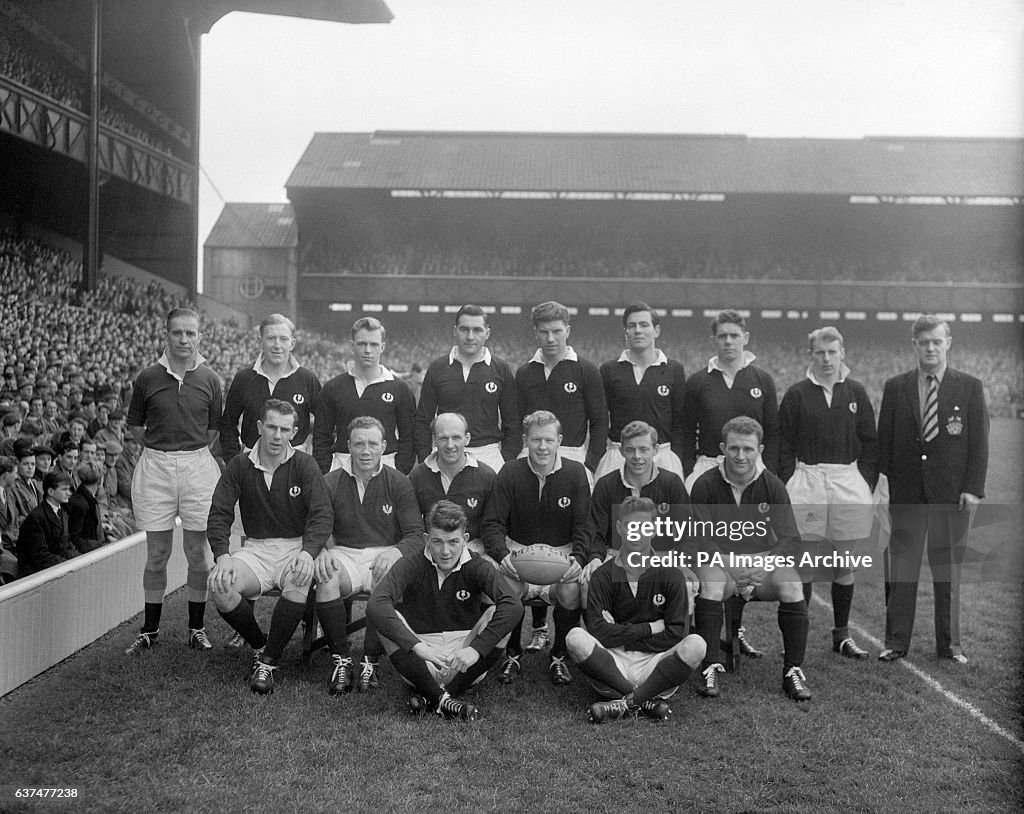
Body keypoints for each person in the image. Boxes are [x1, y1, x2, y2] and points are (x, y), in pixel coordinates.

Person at [877, 314, 988, 664]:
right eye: (923, 342)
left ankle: (950, 645)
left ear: (948, 343)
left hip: (951, 494)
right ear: (914, 345)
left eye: (936, 341)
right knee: (903, 571)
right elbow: (885, 442)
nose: (930, 348)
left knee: (948, 573)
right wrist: (883, 485)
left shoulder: (969, 386)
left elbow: (979, 444)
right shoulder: (896, 387)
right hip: (906, 493)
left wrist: (973, 488)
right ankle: (896, 643)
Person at [206, 399, 335, 694]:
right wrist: (222, 555)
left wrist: (308, 551)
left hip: (295, 548)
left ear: (295, 432)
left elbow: (321, 513)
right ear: (260, 427)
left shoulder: (304, 463)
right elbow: (219, 512)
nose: (278, 436)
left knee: (299, 581)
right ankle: (261, 644)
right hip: (256, 549)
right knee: (221, 587)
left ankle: (267, 664)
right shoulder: (240, 464)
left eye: (285, 429)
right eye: (272, 427)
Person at [681, 310, 782, 657]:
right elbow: (683, 431)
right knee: (706, 551)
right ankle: (700, 633)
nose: (728, 341)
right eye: (722, 335)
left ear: (745, 338)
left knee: (746, 553)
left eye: (734, 336)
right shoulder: (698, 381)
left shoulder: (762, 379)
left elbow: (775, 430)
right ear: (714, 339)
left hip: (750, 470)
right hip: (709, 469)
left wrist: (773, 474)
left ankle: (735, 632)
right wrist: (686, 471)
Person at [689, 417, 812, 702]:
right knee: (710, 585)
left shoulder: (773, 485)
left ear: (760, 450)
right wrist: (728, 565)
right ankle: (710, 667)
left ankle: (792, 671)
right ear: (722, 448)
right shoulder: (704, 484)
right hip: (720, 562)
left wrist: (765, 566)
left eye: (747, 449)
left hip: (761, 563)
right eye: (733, 448)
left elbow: (790, 538)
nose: (740, 456)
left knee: (792, 585)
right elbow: (699, 538)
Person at [367, 500, 524, 720]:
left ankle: (434, 697)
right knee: (386, 618)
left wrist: (476, 649)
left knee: (496, 613)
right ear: (426, 540)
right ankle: (446, 700)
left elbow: (513, 605)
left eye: (453, 542)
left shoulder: (478, 565)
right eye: (437, 542)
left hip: (466, 660)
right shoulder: (411, 563)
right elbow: (376, 604)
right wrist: (417, 646)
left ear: (465, 540)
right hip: (421, 661)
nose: (445, 551)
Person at [124, 308, 223, 655]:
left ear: (199, 336)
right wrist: (163, 449)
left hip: (198, 464)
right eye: (177, 333)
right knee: (157, 554)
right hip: (156, 464)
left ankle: (196, 628)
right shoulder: (148, 377)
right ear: (166, 334)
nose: (184, 340)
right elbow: (136, 424)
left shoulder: (210, 378)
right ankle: (150, 630)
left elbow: (213, 429)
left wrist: (187, 451)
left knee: (198, 553)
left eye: (190, 334)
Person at [779, 327, 878, 659]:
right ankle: (801, 635)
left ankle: (842, 635)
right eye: (819, 353)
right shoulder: (796, 394)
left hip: (846, 480)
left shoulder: (856, 392)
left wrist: (862, 480)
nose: (826, 358)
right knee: (805, 562)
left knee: (843, 561)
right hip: (808, 480)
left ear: (842, 353)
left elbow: (870, 440)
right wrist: (788, 481)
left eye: (831, 352)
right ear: (811, 355)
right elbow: (784, 444)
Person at [569, 497, 706, 723]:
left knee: (696, 645)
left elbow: (677, 633)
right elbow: (598, 631)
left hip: (655, 663)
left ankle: (626, 703)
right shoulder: (603, 575)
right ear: (620, 528)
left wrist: (621, 633)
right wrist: (652, 627)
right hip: (613, 664)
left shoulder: (671, 575)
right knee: (575, 638)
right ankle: (644, 701)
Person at [314, 416, 424, 694]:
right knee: (326, 576)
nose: (366, 451)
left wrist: (396, 552)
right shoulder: (330, 482)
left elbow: (415, 535)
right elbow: (318, 526)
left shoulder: (399, 482)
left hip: (383, 554)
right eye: (359, 443)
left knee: (387, 574)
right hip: (345, 553)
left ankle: (370, 661)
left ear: (384, 446)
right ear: (348, 446)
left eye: (372, 444)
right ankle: (341, 660)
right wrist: (325, 551)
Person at [482, 410, 590, 686]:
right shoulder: (510, 471)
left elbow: (584, 525)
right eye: (536, 440)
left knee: (571, 590)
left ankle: (558, 657)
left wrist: (578, 556)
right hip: (519, 554)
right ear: (525, 441)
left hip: (561, 556)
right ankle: (512, 654)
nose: (542, 447)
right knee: (509, 588)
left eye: (549, 440)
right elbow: (493, 523)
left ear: (559, 441)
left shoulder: (577, 473)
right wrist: (501, 554)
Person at [582, 421, 698, 609]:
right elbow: (595, 532)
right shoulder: (606, 485)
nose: (637, 457)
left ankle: (677, 637)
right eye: (631, 450)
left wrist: (681, 563)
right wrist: (595, 558)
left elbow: (689, 534)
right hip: (616, 556)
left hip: (662, 558)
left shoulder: (672, 483)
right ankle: (598, 638)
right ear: (621, 451)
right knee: (589, 582)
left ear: (656, 449)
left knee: (684, 584)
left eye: (644, 449)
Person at [414, 304, 519, 472]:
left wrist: (506, 460)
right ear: (455, 331)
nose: (470, 336)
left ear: (487, 333)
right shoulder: (437, 367)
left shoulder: (501, 368)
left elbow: (512, 421)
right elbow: (423, 419)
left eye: (477, 330)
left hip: (488, 454)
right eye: (464, 329)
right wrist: (425, 459)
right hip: (446, 452)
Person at [595, 302, 686, 481]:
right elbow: (600, 420)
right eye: (632, 325)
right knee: (615, 509)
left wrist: (678, 459)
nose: (638, 330)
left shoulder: (673, 369)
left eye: (644, 325)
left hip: (662, 454)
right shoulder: (609, 369)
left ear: (656, 330)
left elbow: (679, 422)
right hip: (619, 454)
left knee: (665, 509)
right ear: (626, 333)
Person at [515, 301, 606, 476]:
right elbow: (515, 422)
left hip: (572, 455)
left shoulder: (586, 370)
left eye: (557, 331)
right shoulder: (524, 373)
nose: (550, 339)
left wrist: (591, 464)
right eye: (544, 332)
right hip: (533, 456)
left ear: (567, 331)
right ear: (536, 333)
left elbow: (599, 422)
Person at [312, 317, 413, 473]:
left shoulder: (399, 388)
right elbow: (321, 437)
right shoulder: (332, 388)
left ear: (382, 347)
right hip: (343, 468)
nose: (367, 350)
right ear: (352, 346)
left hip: (386, 467)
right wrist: (328, 470)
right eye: (362, 344)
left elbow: (409, 436)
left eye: (373, 344)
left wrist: (399, 471)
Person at [220, 314, 322, 462]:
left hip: (296, 464)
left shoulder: (307, 379)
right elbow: (228, 424)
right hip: (252, 463)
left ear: (292, 344)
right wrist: (233, 462)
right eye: (271, 338)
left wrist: (317, 464)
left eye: (283, 339)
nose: (277, 345)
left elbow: (325, 425)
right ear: (260, 342)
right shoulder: (244, 378)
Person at [408, 412, 496, 546]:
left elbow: (492, 525)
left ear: (467, 438)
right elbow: (413, 527)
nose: (450, 445)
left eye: (456, 438)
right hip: (431, 549)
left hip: (473, 549)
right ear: (434, 440)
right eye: (443, 438)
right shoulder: (418, 476)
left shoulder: (486, 476)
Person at [16, 470, 77, 577]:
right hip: (38, 576)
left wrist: (79, 559)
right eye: (64, 489)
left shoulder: (62, 512)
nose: (69, 493)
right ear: (51, 492)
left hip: (59, 569)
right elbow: (40, 556)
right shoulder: (36, 518)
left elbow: (66, 544)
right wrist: (69, 564)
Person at [67, 462, 110, 553]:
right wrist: (100, 545)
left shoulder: (87, 500)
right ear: (100, 481)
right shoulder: (81, 505)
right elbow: (75, 539)